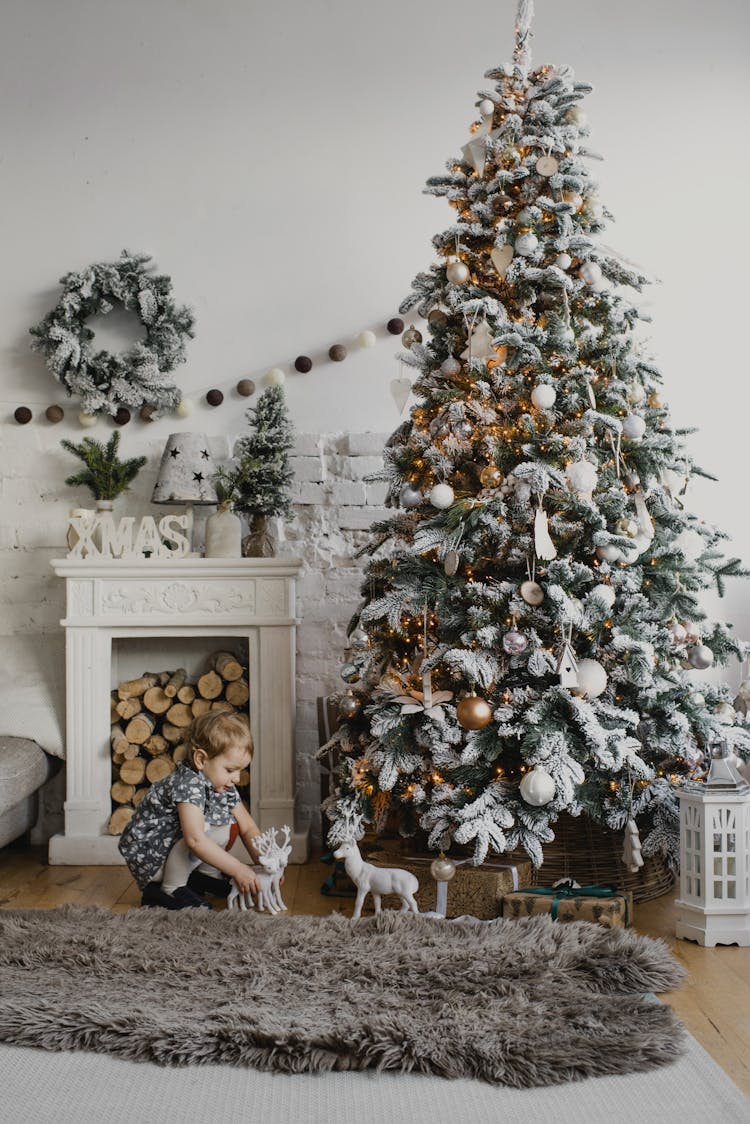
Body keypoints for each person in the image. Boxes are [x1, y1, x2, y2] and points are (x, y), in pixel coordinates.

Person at [118, 710, 262, 909]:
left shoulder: (223, 785)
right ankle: (170, 888)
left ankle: (204, 877)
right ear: (201, 760)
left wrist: (264, 862)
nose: (237, 778)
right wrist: (238, 868)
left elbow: (248, 827)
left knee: (226, 826)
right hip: (150, 853)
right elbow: (194, 840)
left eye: (240, 770)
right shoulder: (188, 784)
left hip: (171, 846)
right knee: (202, 833)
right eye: (230, 770)